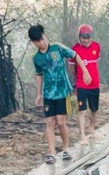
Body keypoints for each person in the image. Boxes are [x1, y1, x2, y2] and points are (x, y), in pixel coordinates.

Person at [29, 24, 91, 164]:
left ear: (44, 35)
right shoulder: (36, 58)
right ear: (33, 42)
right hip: (48, 94)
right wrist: (39, 94)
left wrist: (85, 72)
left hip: (62, 92)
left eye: (42, 39)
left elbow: (75, 56)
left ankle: (65, 149)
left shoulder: (57, 47)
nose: (41, 43)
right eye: (37, 41)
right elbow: (39, 75)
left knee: (61, 121)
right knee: (49, 122)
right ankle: (51, 153)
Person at [70, 24, 100, 145]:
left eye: (88, 37)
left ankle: (92, 128)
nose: (86, 40)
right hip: (81, 85)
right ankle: (82, 135)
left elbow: (95, 64)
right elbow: (72, 68)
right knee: (82, 110)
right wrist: (78, 78)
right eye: (83, 37)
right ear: (80, 37)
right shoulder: (74, 49)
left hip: (94, 84)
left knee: (94, 109)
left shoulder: (97, 47)